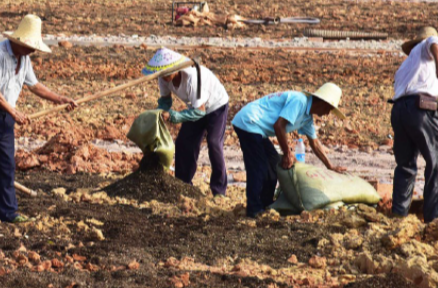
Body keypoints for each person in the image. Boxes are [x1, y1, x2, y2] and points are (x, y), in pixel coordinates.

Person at [0, 15, 77, 224]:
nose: (33, 51)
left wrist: (60, 99)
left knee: (6, 164)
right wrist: (14, 112)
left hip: (5, 115)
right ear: (20, 41)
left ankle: (8, 212)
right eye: (31, 46)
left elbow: (35, 86)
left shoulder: (24, 58)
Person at [232, 84, 346, 217]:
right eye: (329, 109)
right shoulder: (300, 101)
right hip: (249, 122)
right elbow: (279, 125)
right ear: (322, 103)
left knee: (274, 162)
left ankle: (266, 203)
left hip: (258, 129)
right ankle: (254, 209)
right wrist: (287, 153)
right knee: (259, 166)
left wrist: (330, 166)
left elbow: (314, 143)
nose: (327, 113)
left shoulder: (307, 118)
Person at [144, 49, 230, 196]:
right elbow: (165, 101)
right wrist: (158, 113)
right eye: (162, 74)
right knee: (184, 143)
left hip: (216, 105)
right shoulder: (163, 78)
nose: (164, 77)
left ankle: (219, 190)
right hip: (195, 107)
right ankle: (183, 185)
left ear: (176, 69)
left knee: (214, 143)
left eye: (167, 73)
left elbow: (200, 112)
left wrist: (176, 117)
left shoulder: (192, 78)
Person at [391, 27, 438, 222]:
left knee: (405, 165)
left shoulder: (405, 67)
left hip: (399, 111)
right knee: (436, 162)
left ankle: (399, 214)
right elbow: (435, 41)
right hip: (419, 109)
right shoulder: (426, 47)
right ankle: (434, 218)